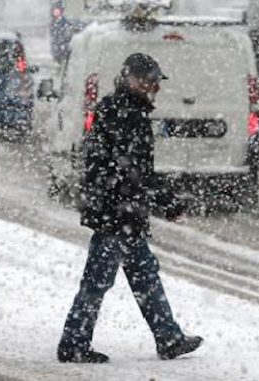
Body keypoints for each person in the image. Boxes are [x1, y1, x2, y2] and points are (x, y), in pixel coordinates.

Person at [57, 53, 203, 363]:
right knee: (97, 282)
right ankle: (73, 344)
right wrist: (168, 202)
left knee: (146, 277)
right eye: (150, 81)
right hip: (116, 214)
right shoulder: (124, 114)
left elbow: (130, 169)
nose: (154, 88)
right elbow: (135, 171)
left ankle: (169, 338)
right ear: (132, 79)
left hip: (124, 212)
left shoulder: (123, 109)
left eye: (156, 83)